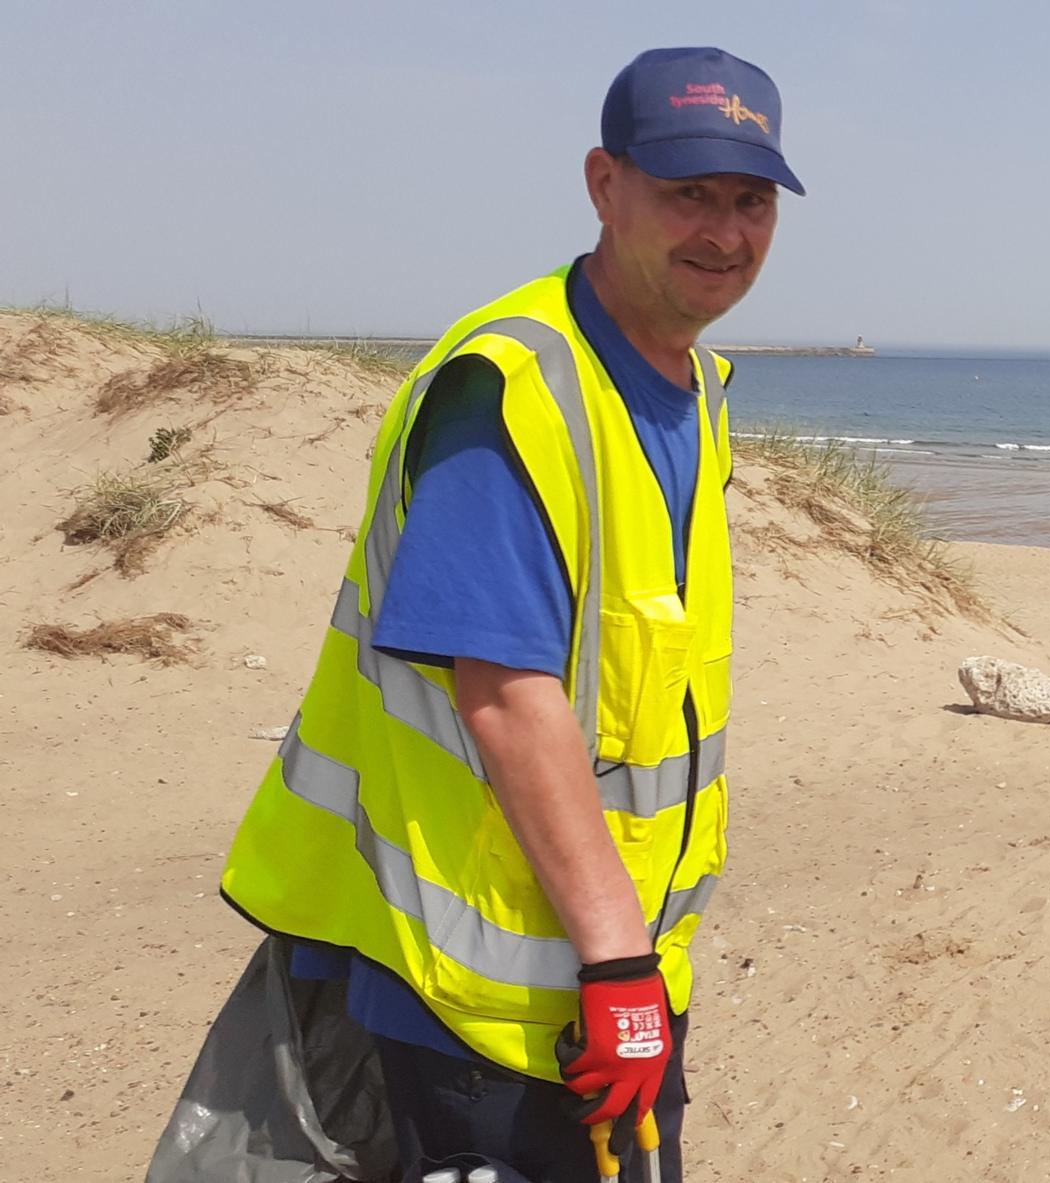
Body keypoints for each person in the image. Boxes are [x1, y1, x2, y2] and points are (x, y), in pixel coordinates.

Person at [209, 47, 802, 1181]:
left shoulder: (692, 391)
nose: (725, 233)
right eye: (688, 193)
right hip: (488, 997)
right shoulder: (514, 388)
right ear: (603, 184)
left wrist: (634, 964)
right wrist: (619, 962)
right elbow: (503, 695)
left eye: (750, 201)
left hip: (601, 966)